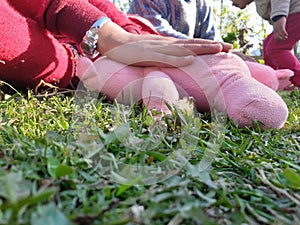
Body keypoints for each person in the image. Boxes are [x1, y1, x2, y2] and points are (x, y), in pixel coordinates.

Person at [0, 0, 289, 129]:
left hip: (126, 37)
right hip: (85, 56)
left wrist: (120, 34)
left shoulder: (201, 7)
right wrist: (73, 66)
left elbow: (206, 38)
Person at [231, 0, 300, 87]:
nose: (232, 4)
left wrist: (279, 16)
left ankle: (297, 79)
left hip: (296, 12)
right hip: (292, 14)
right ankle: (275, 81)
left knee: (276, 48)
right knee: (267, 45)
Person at [128, 0, 221, 41]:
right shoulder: (146, 1)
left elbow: (213, 39)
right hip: (150, 63)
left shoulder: (202, 4)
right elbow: (158, 33)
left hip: (192, 62)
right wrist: (203, 47)